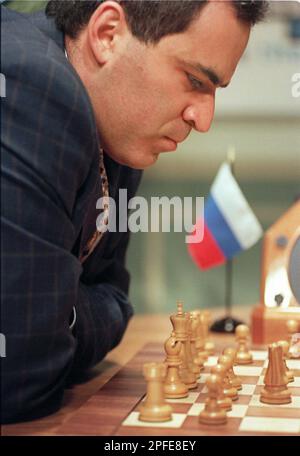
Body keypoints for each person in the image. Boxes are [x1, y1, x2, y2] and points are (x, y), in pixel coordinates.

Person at [1, 0, 268, 424]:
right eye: (195, 79)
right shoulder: (33, 85)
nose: (203, 119)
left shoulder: (118, 130)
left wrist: (57, 316)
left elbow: (117, 300)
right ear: (108, 34)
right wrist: (55, 320)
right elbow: (19, 372)